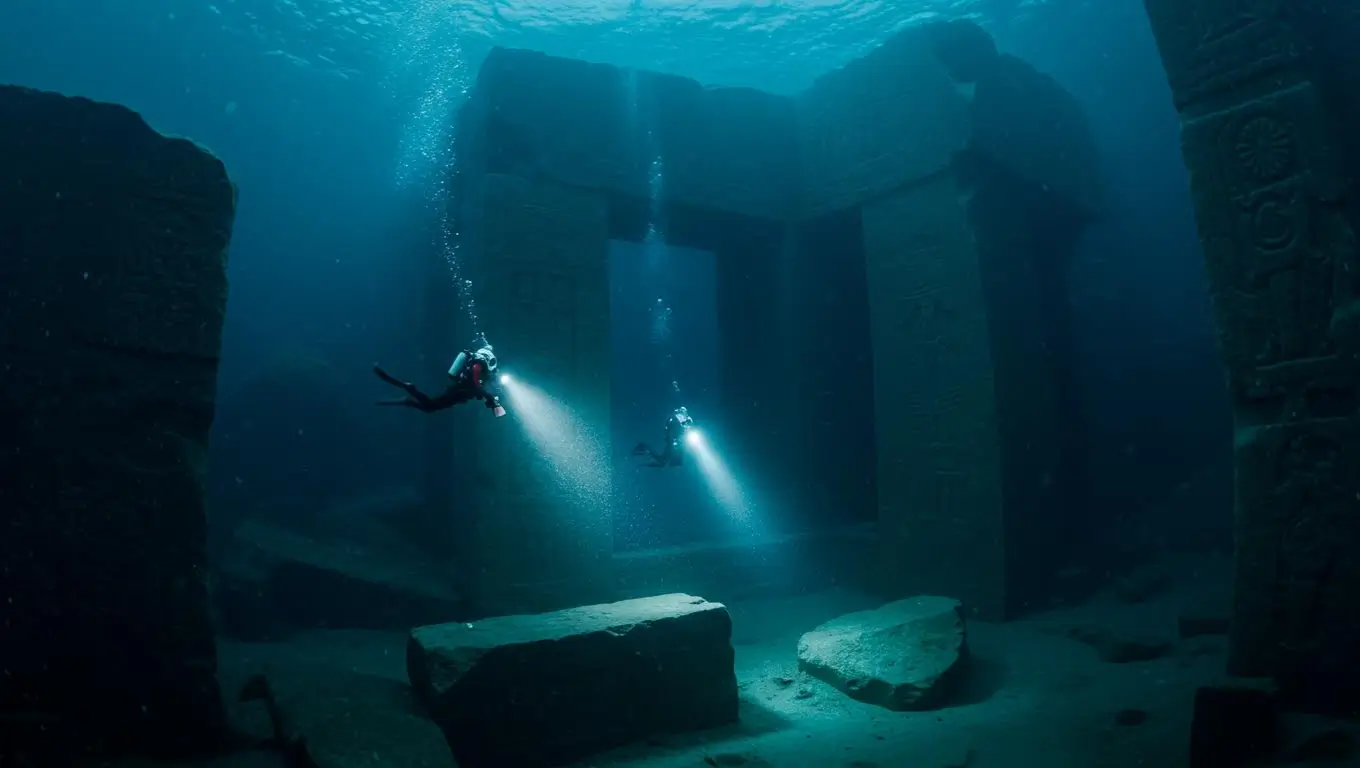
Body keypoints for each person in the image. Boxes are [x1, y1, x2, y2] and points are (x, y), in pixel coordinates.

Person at [373, 344, 506, 416]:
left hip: (459, 393)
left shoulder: (481, 367)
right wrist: (491, 400)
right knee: (431, 406)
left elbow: (478, 387)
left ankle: (408, 399)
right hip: (457, 392)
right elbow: (476, 385)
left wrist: (489, 398)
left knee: (430, 408)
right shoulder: (479, 365)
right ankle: (409, 389)